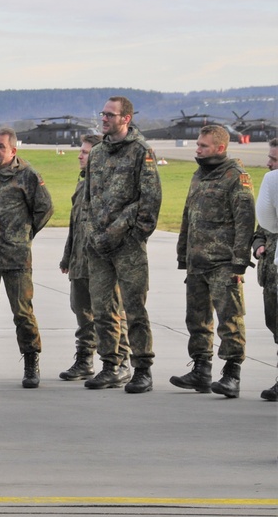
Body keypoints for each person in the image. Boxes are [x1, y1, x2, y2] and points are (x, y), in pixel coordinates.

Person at [169, 125, 255, 398]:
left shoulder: (236, 177)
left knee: (229, 320)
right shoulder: (200, 175)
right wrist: (183, 253)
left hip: (222, 263)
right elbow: (188, 215)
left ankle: (231, 375)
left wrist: (239, 263)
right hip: (197, 262)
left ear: (220, 148)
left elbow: (245, 221)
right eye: (197, 144)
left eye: (203, 146)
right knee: (196, 318)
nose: (197, 149)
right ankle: (201, 369)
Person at [83, 96, 162, 393]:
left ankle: (142, 368)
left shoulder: (141, 152)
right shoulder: (98, 153)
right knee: (102, 307)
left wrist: (135, 235)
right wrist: (91, 232)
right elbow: (88, 198)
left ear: (126, 118)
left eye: (110, 114)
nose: (104, 118)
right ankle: (111, 365)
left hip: (127, 245)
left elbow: (150, 199)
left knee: (134, 307)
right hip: (99, 246)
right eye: (103, 113)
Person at [0, 127, 53, 388]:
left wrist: (25, 233)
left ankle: (31, 362)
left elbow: (44, 208)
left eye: (0, 147)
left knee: (22, 312)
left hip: (16, 257)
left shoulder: (27, 175)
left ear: (13, 151)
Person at [59, 134, 129, 380]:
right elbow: (74, 225)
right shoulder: (82, 185)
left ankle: (121, 361)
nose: (79, 155)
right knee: (82, 312)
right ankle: (85, 359)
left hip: (102, 262)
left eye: (85, 152)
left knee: (110, 313)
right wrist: (67, 257)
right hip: (79, 261)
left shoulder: (110, 187)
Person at [255, 140, 278, 401]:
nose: (268, 163)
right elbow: (261, 227)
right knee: (274, 324)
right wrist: (259, 244)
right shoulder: (271, 187)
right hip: (270, 273)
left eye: (274, 159)